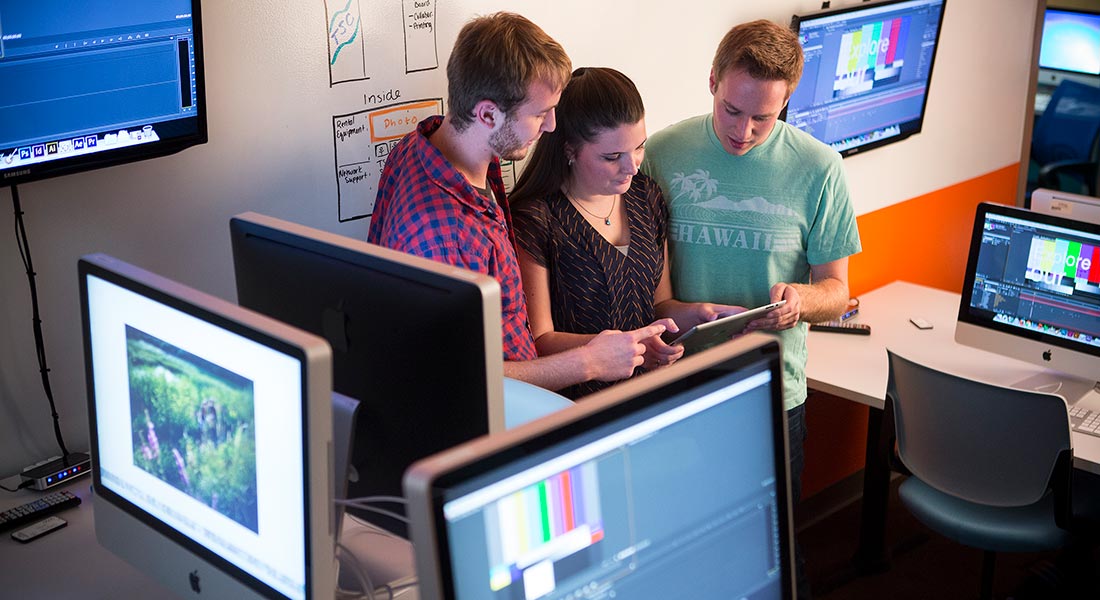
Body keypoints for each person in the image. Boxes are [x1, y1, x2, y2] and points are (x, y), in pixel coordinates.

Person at [641, 19, 862, 598]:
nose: (743, 131)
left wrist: (801, 301)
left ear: (787, 100)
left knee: (771, 552)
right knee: (679, 552)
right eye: (731, 110)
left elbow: (836, 288)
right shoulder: (662, 153)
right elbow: (643, 272)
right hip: (677, 381)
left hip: (770, 389)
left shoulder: (819, 168)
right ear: (712, 81)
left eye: (763, 117)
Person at [367, 12, 667, 393]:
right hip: (502, 417)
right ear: (488, 113)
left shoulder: (431, 145)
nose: (552, 126)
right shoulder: (443, 235)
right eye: (540, 114)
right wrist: (589, 362)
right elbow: (460, 376)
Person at [510, 67, 743, 399]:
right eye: (612, 156)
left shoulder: (645, 196)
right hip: (576, 406)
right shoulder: (535, 219)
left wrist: (698, 316)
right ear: (569, 150)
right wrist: (625, 348)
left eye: (639, 148)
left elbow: (659, 305)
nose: (632, 166)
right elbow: (540, 341)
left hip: (650, 397)